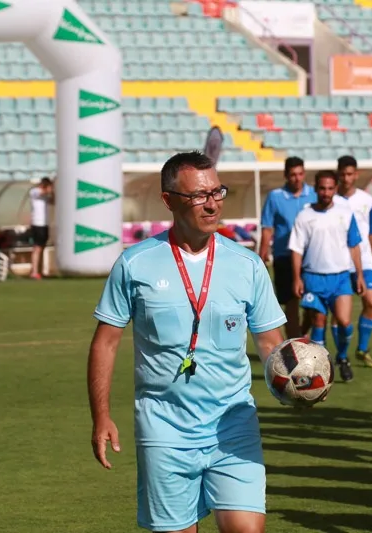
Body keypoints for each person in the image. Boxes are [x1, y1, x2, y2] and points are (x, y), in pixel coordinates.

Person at [88, 151, 287, 533]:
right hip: (164, 429)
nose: (212, 204)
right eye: (198, 195)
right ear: (169, 200)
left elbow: (268, 341)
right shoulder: (135, 263)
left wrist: (292, 377)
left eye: (216, 192)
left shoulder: (247, 265)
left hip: (233, 426)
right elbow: (105, 343)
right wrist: (101, 416)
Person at [289, 170, 365, 383]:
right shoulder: (304, 216)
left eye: (330, 188)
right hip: (313, 277)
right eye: (322, 188)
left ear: (335, 189)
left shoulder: (345, 213)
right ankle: (321, 368)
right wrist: (297, 278)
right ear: (316, 188)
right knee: (318, 321)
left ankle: (342, 357)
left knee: (344, 322)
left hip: (340, 278)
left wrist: (359, 275)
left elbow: (354, 246)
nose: (326, 192)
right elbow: (296, 250)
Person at [334, 155, 372, 368]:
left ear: (356, 175)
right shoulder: (332, 199)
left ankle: (362, 349)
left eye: (350, 174)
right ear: (338, 175)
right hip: (340, 263)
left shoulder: (367, 200)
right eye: (343, 174)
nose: (346, 178)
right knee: (339, 313)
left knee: (370, 302)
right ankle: (341, 354)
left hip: (365, 261)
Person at [259, 156, 316, 339]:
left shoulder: (315, 194)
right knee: (291, 305)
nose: (297, 178)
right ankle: (295, 345)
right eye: (292, 175)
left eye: (300, 174)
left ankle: (302, 333)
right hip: (284, 257)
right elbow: (267, 228)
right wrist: (262, 254)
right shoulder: (275, 197)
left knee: (313, 305)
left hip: (310, 258)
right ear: (286, 175)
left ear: (304, 174)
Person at [29, 177, 53, 280]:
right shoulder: (34, 191)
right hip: (37, 223)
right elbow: (42, 192)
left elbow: (53, 201)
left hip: (44, 223)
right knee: (37, 247)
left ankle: (39, 270)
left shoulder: (45, 195)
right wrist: (48, 189)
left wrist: (52, 192)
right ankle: (34, 271)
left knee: (42, 247)